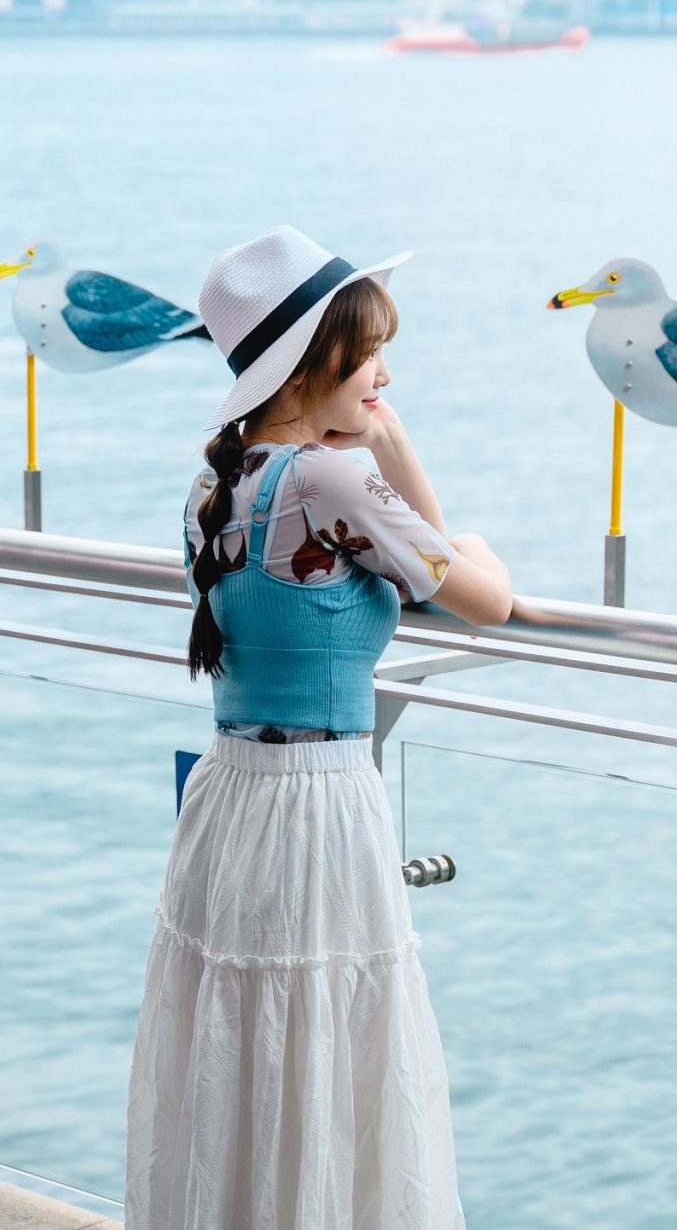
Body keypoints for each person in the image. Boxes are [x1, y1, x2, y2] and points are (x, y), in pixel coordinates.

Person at [125, 225, 512, 1229]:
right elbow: (480, 595)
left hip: (228, 795)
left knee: (237, 1050)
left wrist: (372, 445)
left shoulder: (215, 484)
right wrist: (395, 446)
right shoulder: (334, 481)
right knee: (328, 1056)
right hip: (318, 807)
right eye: (371, 350)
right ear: (317, 359)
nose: (385, 370)